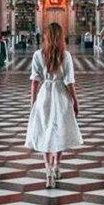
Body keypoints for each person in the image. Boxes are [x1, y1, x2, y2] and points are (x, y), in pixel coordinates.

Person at [25, 22, 83, 188]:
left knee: (45, 132)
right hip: (61, 95)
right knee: (58, 131)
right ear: (60, 37)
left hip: (45, 95)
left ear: (46, 36)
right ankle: (56, 165)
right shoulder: (66, 56)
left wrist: (33, 102)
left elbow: (35, 81)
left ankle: (48, 170)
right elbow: (69, 81)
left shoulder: (38, 54)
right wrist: (75, 101)